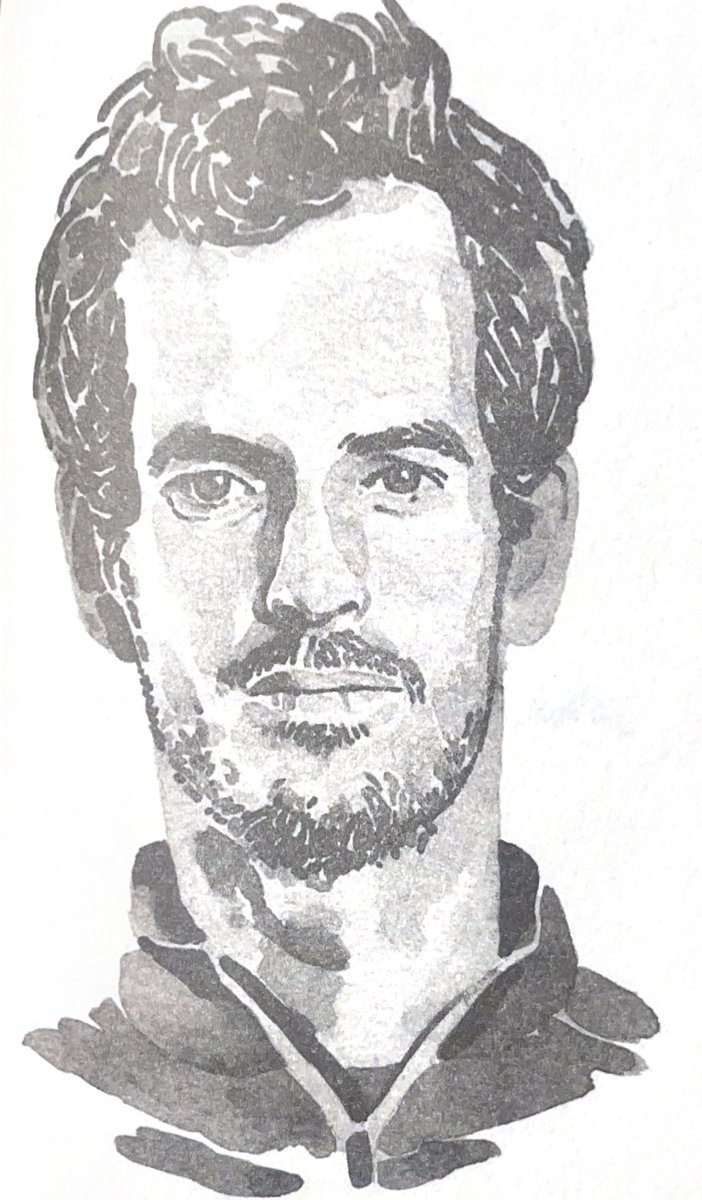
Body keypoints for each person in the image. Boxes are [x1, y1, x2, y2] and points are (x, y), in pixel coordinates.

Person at [24, 2, 658, 1192]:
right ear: (100, 567)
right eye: (215, 487)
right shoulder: (28, 1120)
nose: (311, 585)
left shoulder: (664, 1109)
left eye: (400, 479)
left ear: (530, 546)